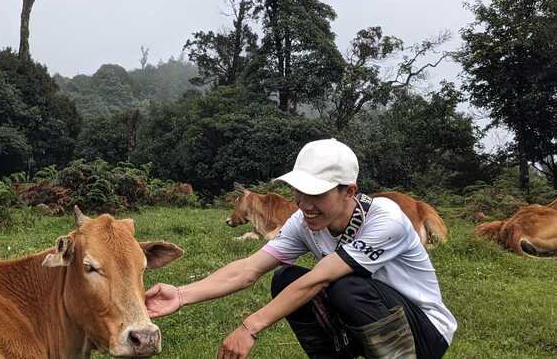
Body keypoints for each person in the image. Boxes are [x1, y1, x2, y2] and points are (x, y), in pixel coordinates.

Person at [145, 138, 456, 359]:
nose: (304, 204)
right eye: (299, 191)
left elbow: (320, 278)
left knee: (345, 287)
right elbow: (248, 269)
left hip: (425, 332)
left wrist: (249, 327)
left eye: (317, 194)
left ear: (349, 191)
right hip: (368, 323)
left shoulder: (385, 219)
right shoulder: (304, 221)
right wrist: (182, 294)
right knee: (285, 279)